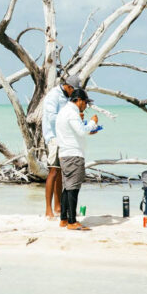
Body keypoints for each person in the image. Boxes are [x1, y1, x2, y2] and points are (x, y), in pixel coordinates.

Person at [54, 88, 100, 230]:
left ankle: (64, 219)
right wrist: (92, 122)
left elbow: (77, 131)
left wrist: (87, 128)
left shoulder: (64, 111)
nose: (85, 106)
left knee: (67, 187)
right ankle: (72, 221)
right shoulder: (72, 112)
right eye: (85, 103)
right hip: (73, 154)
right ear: (79, 100)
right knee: (73, 188)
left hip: (65, 153)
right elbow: (81, 131)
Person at [41, 75, 80, 218]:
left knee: (61, 174)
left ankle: (58, 207)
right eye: (73, 91)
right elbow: (51, 118)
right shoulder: (53, 96)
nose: (74, 95)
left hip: (63, 138)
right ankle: (48, 209)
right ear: (68, 87)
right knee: (53, 172)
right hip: (53, 137)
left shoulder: (68, 97)